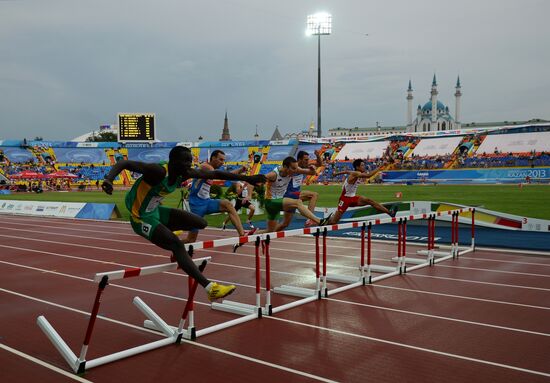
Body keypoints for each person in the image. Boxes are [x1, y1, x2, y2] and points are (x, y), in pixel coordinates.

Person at [101, 146, 266, 302]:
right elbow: (124, 163)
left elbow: (215, 174)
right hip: (140, 218)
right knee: (176, 244)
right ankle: (210, 288)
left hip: (156, 212)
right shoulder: (158, 172)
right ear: (173, 161)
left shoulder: (184, 173)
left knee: (200, 223)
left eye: (190, 161)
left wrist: (247, 178)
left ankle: (166, 234)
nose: (189, 164)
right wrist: (109, 179)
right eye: (185, 161)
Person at [184, 150, 257, 252]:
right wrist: (241, 173)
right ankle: (175, 246)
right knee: (190, 239)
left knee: (228, 205)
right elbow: (223, 175)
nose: (223, 162)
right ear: (213, 158)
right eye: (220, 159)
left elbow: (225, 176)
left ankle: (242, 235)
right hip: (196, 206)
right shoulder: (206, 167)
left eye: (224, 160)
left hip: (207, 202)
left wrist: (240, 170)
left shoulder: (213, 170)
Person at [263, 156, 332, 234]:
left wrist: (313, 169)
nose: (295, 171)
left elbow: (312, 172)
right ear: (285, 167)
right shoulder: (273, 174)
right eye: (305, 159)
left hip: (281, 199)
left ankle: (252, 234)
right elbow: (256, 179)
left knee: (273, 229)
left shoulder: (296, 169)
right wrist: (249, 194)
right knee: (298, 202)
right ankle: (319, 221)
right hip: (272, 201)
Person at [328, 159, 398, 224]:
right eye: (362, 165)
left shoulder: (353, 172)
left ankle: (390, 213)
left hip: (352, 198)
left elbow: (346, 171)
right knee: (334, 222)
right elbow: (368, 175)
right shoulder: (356, 173)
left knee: (370, 201)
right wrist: (381, 165)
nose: (364, 167)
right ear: (357, 167)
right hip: (345, 199)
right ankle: (323, 222)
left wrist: (336, 174)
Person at [276, 150, 322, 231]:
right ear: (299, 160)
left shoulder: (305, 165)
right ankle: (311, 219)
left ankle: (265, 233)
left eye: (308, 159)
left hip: (295, 195)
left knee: (284, 224)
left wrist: (318, 155)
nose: (308, 161)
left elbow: (319, 164)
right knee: (314, 195)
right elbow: (282, 172)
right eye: (306, 160)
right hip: (289, 194)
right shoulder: (293, 168)